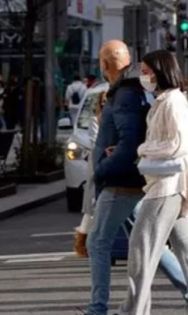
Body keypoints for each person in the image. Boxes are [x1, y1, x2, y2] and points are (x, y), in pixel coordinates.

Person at [84, 40, 188, 315]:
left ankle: (97, 309)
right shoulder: (130, 90)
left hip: (121, 181)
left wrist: (102, 170)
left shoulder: (125, 94)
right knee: (151, 243)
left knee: (98, 242)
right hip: (136, 178)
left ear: (104, 64)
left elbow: (130, 141)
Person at [121, 50, 188, 315]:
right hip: (170, 187)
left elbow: (179, 144)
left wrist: (144, 149)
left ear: (161, 71)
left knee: (141, 255)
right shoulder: (166, 100)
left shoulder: (173, 101)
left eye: (147, 71)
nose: (143, 76)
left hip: (166, 187)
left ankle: (133, 312)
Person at [75, 92, 107, 258]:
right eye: (103, 101)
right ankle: (83, 242)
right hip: (98, 161)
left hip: (111, 161)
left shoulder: (116, 116)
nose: (106, 103)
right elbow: (96, 142)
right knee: (93, 204)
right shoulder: (95, 120)